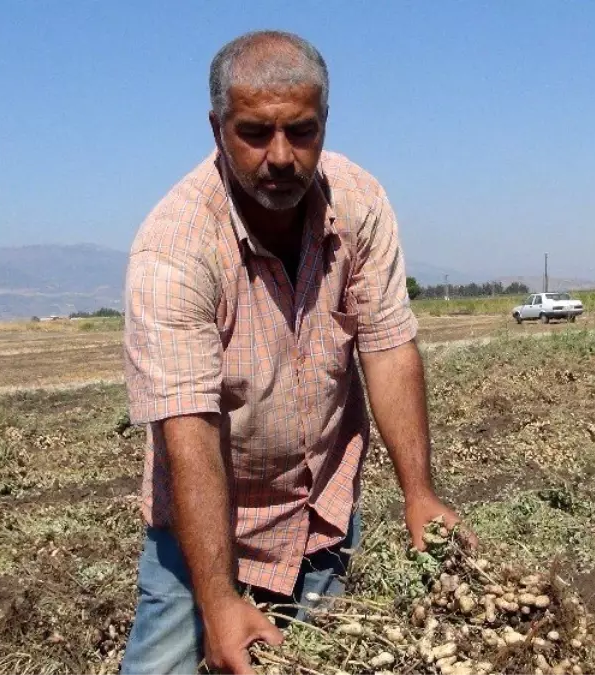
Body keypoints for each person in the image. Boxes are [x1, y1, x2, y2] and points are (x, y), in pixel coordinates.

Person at [120, 30, 473, 675]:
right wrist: (219, 599)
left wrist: (419, 493)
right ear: (217, 129)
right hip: (206, 528)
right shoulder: (175, 249)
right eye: (254, 133)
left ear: (325, 123)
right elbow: (189, 430)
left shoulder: (359, 204)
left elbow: (388, 348)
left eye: (302, 132)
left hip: (323, 509)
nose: (280, 157)